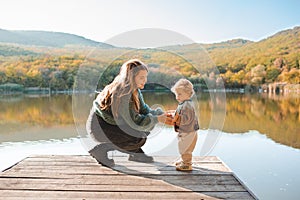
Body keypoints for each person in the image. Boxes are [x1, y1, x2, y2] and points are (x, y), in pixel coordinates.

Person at [86, 59, 166, 168]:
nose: (145, 80)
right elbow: (135, 121)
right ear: (131, 77)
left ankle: (136, 154)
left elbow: (144, 110)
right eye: (141, 78)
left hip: (111, 125)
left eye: (146, 77)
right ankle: (101, 150)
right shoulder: (123, 94)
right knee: (138, 137)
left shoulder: (135, 90)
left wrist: (161, 114)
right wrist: (157, 119)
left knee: (142, 131)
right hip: (100, 128)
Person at [165, 78, 199, 171]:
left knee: (185, 147)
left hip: (188, 131)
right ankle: (184, 161)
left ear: (188, 94)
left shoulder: (187, 105)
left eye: (179, 94)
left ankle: (187, 164)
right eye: (176, 94)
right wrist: (174, 113)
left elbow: (187, 119)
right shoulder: (184, 103)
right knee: (183, 145)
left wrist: (176, 118)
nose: (177, 97)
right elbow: (180, 112)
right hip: (187, 130)